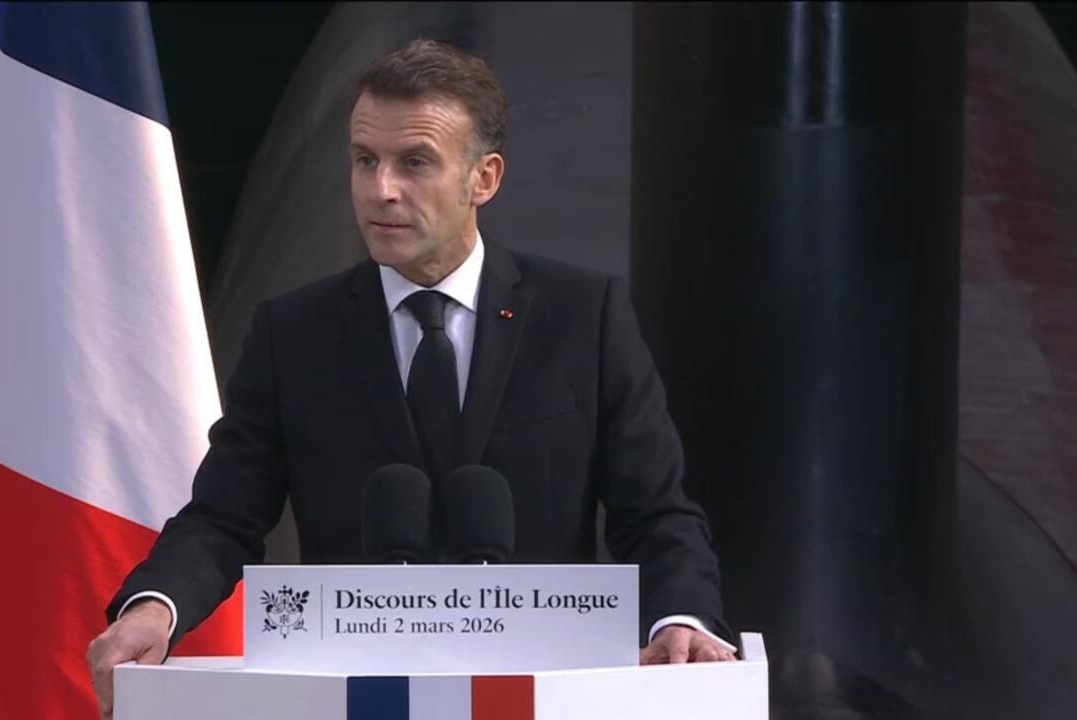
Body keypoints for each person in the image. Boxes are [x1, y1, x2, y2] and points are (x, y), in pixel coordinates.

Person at [87, 38, 735, 717]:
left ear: (484, 179)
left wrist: (681, 618)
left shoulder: (583, 318)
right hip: (357, 698)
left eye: (415, 162)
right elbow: (224, 516)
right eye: (365, 160)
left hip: (541, 696)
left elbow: (655, 513)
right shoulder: (294, 333)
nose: (381, 189)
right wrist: (155, 606)